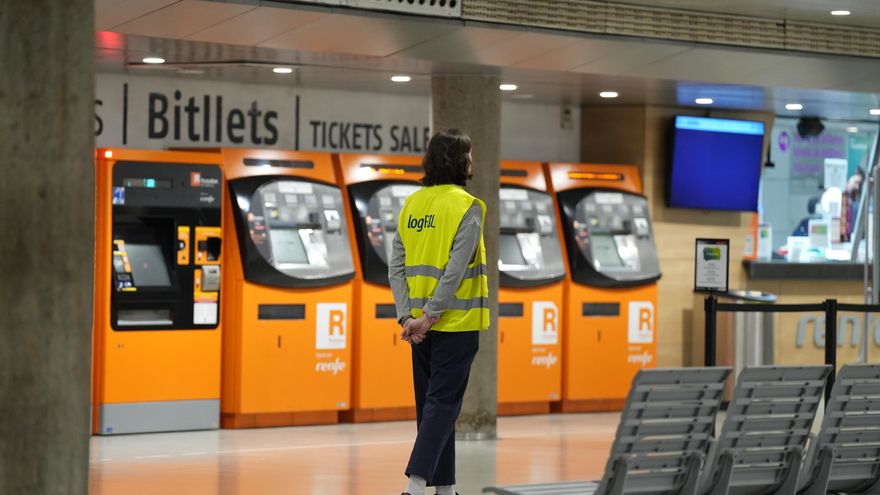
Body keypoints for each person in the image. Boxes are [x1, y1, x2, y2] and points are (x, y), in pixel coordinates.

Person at [388, 128, 490, 495]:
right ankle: (414, 488)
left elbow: (395, 267)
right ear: (459, 161)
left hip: (418, 328)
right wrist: (430, 316)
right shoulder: (467, 206)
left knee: (432, 407)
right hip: (455, 323)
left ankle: (445, 489)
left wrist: (407, 317)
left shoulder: (412, 204)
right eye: (470, 154)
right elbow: (455, 270)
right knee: (443, 406)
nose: (472, 160)